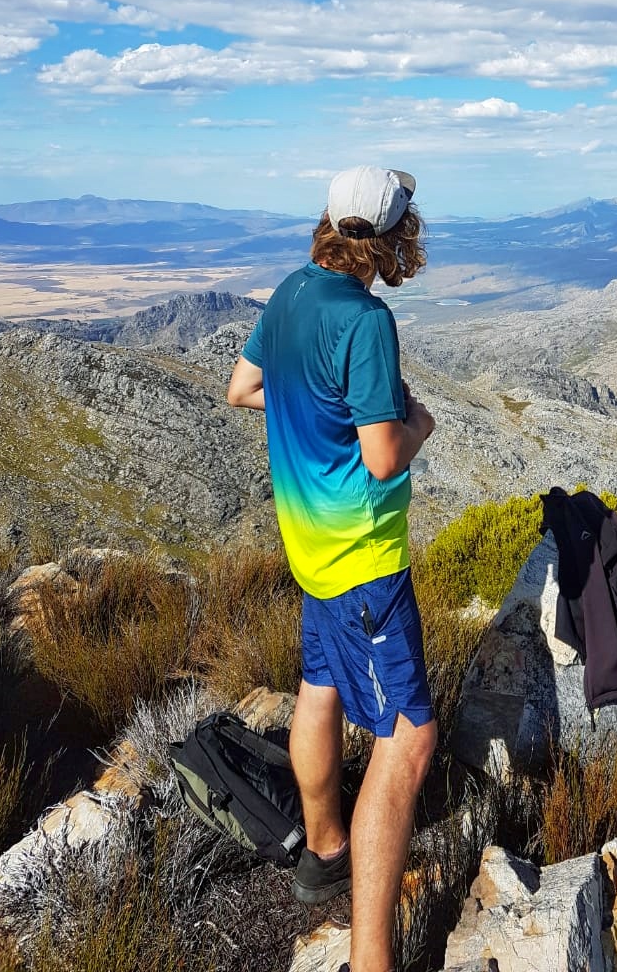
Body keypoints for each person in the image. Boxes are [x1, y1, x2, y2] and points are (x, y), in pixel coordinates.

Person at [227, 166, 437, 972]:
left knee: (320, 686)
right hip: (363, 562)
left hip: (309, 551)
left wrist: (301, 407)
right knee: (408, 740)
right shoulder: (366, 322)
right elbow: (383, 459)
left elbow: (243, 387)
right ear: (390, 236)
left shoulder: (289, 292)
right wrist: (417, 424)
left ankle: (323, 850)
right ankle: (371, 959)